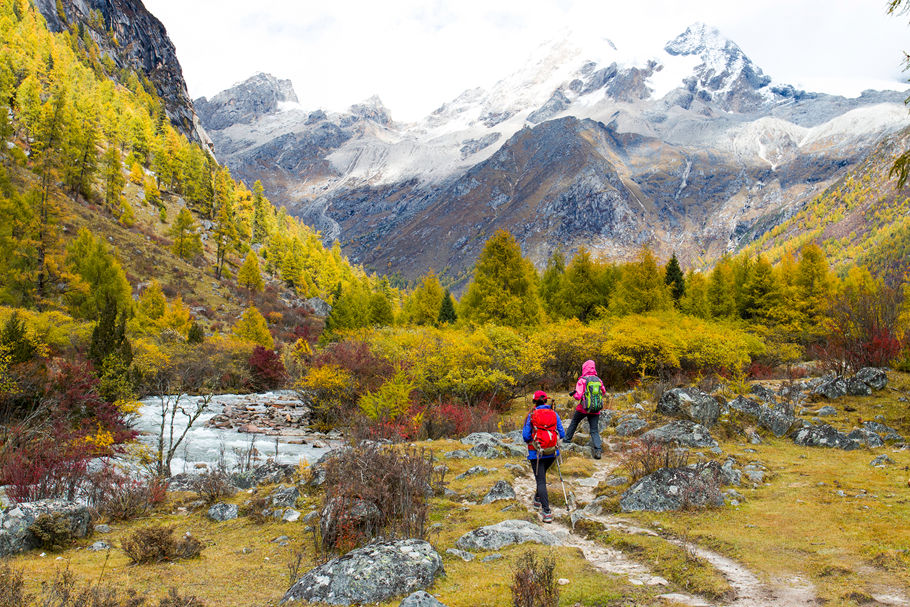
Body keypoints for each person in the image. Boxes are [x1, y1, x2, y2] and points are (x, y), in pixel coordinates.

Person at [522, 390, 565, 523]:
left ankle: (546, 511)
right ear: (546, 400)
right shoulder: (554, 413)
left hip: (537, 453)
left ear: (534, 401)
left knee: (540, 480)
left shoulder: (532, 415)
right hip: (552, 452)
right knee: (541, 476)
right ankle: (537, 499)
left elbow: (526, 436)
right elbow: (562, 433)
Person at [565, 359, 608, 459]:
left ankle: (566, 441)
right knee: (594, 430)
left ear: (584, 368)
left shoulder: (582, 380)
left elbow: (578, 396)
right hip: (595, 409)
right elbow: (604, 391)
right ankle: (598, 450)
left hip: (583, 408)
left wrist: (575, 393)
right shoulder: (598, 380)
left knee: (574, 422)